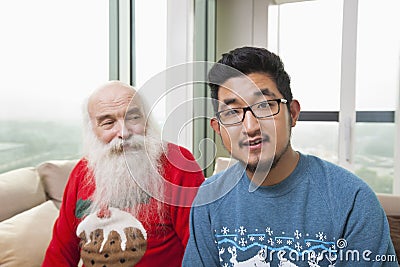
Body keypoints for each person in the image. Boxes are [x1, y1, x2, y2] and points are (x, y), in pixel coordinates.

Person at [183, 47, 398, 266]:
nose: (250, 127)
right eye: (232, 112)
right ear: (218, 128)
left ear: (293, 114)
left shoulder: (353, 201)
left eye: (264, 106)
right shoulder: (209, 199)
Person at [42, 81, 205, 267]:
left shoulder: (179, 163)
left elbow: (199, 249)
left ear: (147, 119)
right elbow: (61, 252)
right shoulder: (82, 172)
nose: (124, 132)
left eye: (133, 117)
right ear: (92, 129)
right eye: (108, 122)